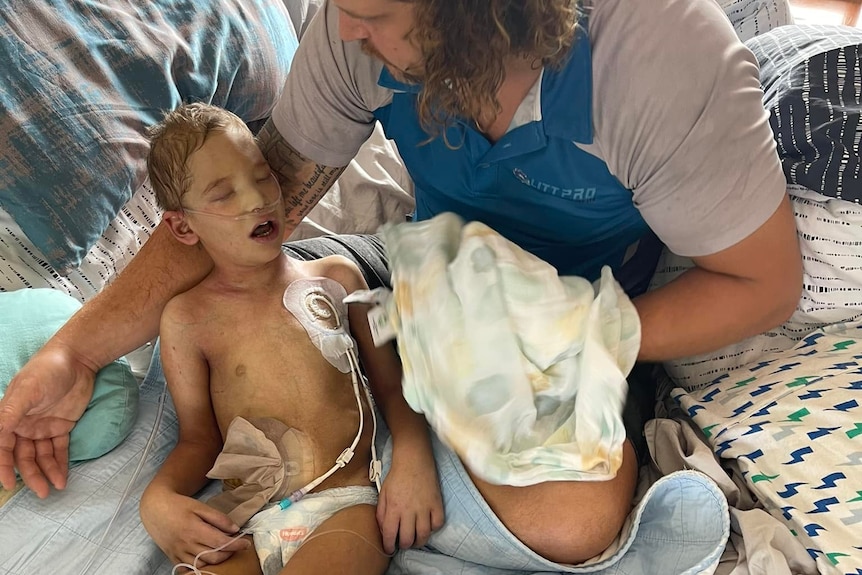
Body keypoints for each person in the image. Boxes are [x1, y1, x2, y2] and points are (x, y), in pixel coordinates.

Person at [0, 0, 802, 570]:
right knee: (277, 308)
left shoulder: (659, 58)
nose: (345, 31)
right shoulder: (354, 34)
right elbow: (247, 212)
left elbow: (763, 284)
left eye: (376, 16)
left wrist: (573, 330)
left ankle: (376, 478)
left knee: (570, 523)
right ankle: (371, 467)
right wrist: (75, 351)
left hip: (567, 314)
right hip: (409, 275)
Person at [136, 103, 442, 574]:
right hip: (247, 521)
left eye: (262, 176)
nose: (255, 199)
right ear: (182, 225)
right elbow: (199, 440)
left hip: (347, 505)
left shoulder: (340, 278)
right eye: (223, 194)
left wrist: (414, 453)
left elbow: (394, 383)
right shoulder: (186, 320)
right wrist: (158, 501)